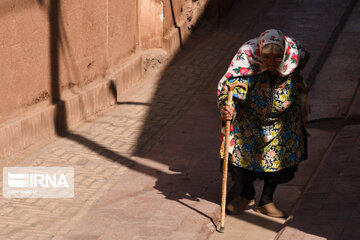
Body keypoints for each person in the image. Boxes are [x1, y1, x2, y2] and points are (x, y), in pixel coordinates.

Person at [217, 29, 310, 218]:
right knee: (240, 160)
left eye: (277, 58)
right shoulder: (247, 63)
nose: (272, 62)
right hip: (249, 122)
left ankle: (267, 200)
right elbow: (231, 88)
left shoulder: (293, 59)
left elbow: (303, 62)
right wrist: (226, 107)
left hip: (283, 122)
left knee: (280, 161)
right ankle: (246, 194)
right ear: (260, 53)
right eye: (267, 57)